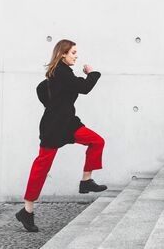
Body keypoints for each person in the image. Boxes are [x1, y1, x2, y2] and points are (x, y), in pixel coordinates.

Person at [15, 39, 107, 232]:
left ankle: (86, 181)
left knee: (97, 141)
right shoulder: (61, 73)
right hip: (54, 128)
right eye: (73, 52)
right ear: (63, 54)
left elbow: (42, 90)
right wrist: (93, 73)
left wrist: (55, 106)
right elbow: (84, 88)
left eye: (76, 52)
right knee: (41, 167)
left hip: (68, 123)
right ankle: (27, 211)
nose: (76, 55)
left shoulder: (60, 74)